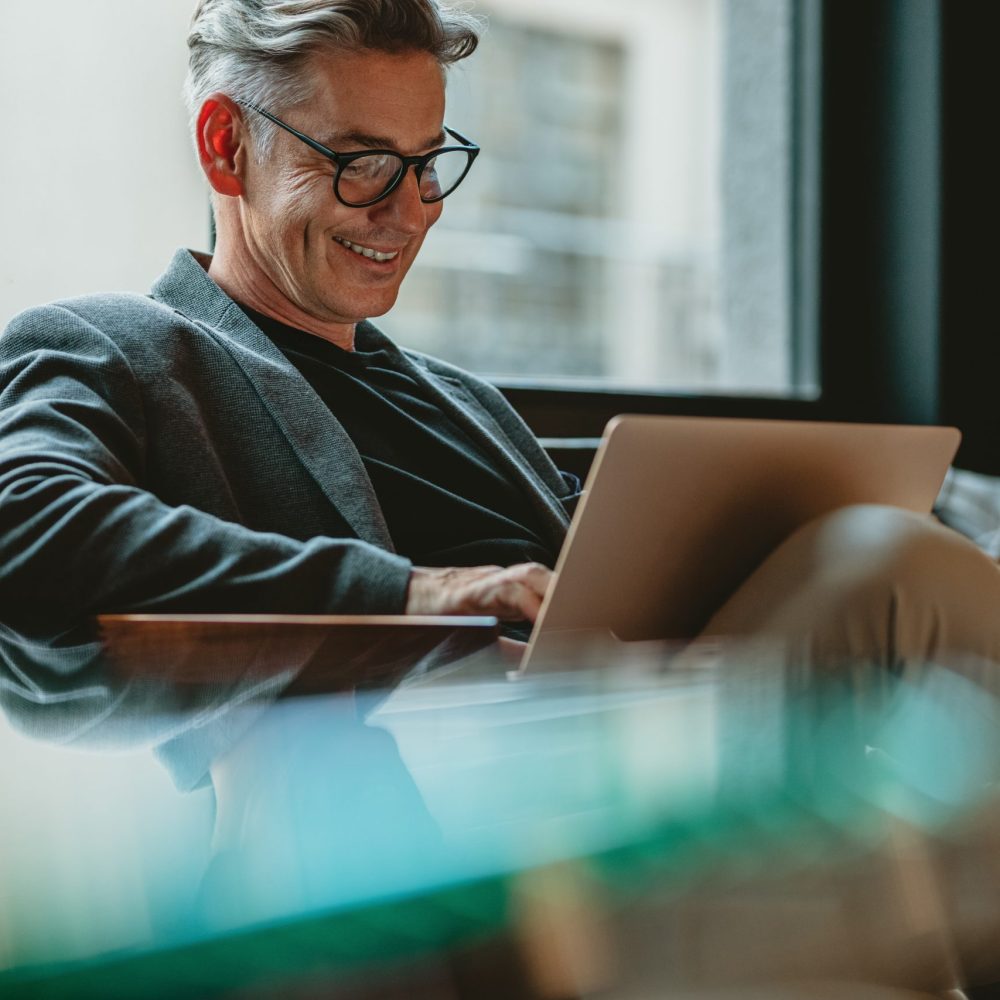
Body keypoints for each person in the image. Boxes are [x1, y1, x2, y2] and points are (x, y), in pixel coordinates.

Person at [1, 0, 999, 673]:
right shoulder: (112, 347)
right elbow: (29, 530)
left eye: (427, 163)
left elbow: (601, 573)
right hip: (432, 783)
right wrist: (418, 592)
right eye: (361, 164)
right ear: (227, 145)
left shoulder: (464, 403)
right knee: (890, 564)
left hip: (633, 720)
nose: (409, 211)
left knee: (901, 552)